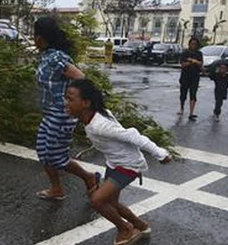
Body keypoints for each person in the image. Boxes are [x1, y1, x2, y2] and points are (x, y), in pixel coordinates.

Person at [65, 79, 171, 245]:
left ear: (86, 103)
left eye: (70, 99)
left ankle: (125, 229)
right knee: (110, 202)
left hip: (128, 165)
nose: (67, 103)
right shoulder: (92, 116)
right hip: (114, 163)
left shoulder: (100, 125)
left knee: (97, 200)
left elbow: (133, 135)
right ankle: (141, 226)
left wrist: (160, 154)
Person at [34, 17, 100, 201]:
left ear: (40, 37)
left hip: (61, 114)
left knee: (56, 156)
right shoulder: (47, 56)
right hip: (49, 112)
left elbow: (82, 78)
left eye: (35, 35)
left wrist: (75, 103)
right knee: (43, 152)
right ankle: (56, 189)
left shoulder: (57, 58)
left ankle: (89, 177)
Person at [178, 37, 203, 120]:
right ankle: (182, 108)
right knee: (183, 93)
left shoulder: (199, 53)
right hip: (185, 76)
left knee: (193, 94)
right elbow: (183, 64)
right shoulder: (185, 53)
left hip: (195, 77)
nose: (194, 45)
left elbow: (200, 64)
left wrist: (194, 61)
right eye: (192, 44)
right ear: (189, 44)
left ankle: (191, 113)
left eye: (195, 44)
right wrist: (191, 62)